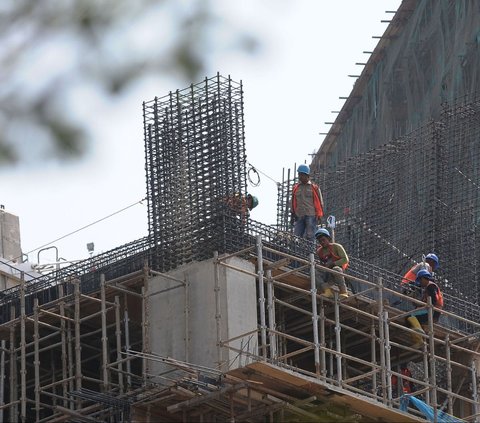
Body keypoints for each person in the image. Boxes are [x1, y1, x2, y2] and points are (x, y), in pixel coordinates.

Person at [405, 269, 444, 347]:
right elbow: (426, 303)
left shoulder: (431, 286)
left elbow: (433, 300)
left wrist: (422, 305)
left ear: (423, 278)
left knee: (409, 316)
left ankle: (419, 338)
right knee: (410, 320)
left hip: (432, 312)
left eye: (420, 280)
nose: (420, 283)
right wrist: (415, 302)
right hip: (431, 311)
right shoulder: (428, 288)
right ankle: (419, 339)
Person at [290, 164, 324, 242]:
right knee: (297, 236)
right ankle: (297, 253)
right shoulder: (296, 188)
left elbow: (320, 202)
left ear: (307, 175)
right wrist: (292, 215)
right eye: (299, 174)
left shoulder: (314, 188)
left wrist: (319, 215)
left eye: (301, 174)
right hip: (299, 215)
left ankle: (310, 253)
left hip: (311, 215)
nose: (300, 176)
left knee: (310, 236)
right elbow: (292, 202)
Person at [315, 228, 349, 298]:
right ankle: (327, 290)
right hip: (328, 275)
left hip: (337, 273)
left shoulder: (336, 247)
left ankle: (343, 292)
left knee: (336, 269)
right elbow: (322, 264)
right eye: (320, 241)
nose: (322, 242)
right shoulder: (319, 251)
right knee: (314, 271)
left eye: (323, 240)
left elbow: (345, 260)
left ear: (328, 239)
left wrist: (333, 264)